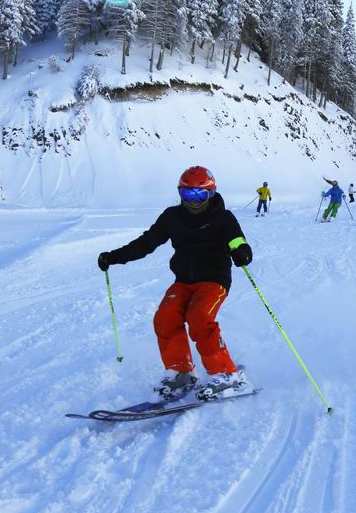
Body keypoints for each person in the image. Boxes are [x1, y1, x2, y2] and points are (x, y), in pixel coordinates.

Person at [97, 166, 253, 401]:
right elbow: (146, 242)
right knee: (165, 317)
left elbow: (237, 240)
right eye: (187, 194)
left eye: (199, 195)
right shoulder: (172, 216)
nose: (193, 201)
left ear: (210, 194)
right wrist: (115, 256)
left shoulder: (223, 218)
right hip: (183, 280)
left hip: (214, 280)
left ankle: (227, 374)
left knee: (199, 317)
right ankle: (182, 372)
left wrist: (242, 252)